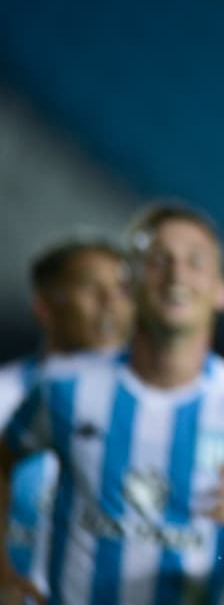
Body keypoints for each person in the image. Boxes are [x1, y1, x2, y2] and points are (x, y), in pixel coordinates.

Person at [0, 201, 224, 604]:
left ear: (223, 291)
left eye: (195, 261)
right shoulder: (66, 387)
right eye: (159, 260)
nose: (177, 273)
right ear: (130, 283)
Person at [0, 235, 134, 599]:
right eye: (91, 286)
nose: (109, 302)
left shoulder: (159, 409)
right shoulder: (5, 397)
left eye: (123, 288)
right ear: (44, 305)